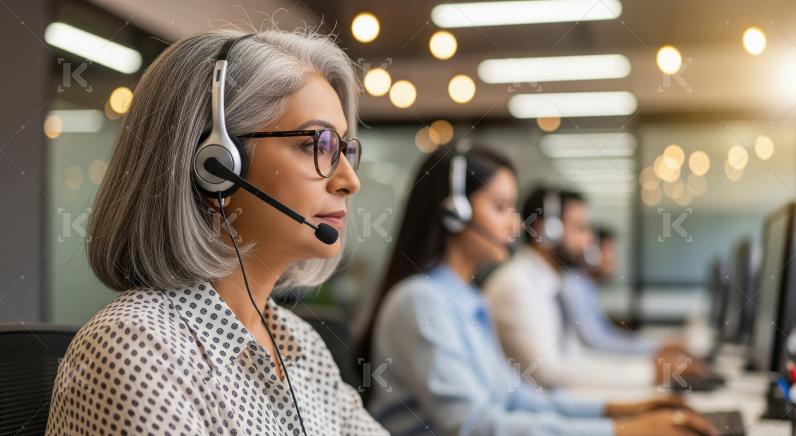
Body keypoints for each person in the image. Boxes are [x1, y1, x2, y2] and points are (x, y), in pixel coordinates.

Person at [47, 29, 386, 435]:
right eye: (317, 144)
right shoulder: (137, 347)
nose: (349, 180)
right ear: (216, 165)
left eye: (345, 150)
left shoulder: (299, 343)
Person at [357, 146, 716, 436]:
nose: (515, 225)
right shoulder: (421, 301)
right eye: (500, 208)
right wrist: (621, 430)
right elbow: (473, 425)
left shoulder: (468, 299)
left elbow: (517, 399)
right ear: (455, 213)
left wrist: (622, 410)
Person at [484, 188, 708, 390]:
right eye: (580, 228)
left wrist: (651, 367)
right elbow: (549, 373)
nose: (590, 239)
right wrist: (650, 371)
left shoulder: (552, 285)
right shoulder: (518, 285)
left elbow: (575, 357)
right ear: (545, 230)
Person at [561, 227, 661, 355]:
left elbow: (607, 335)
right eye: (610, 251)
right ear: (592, 254)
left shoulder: (587, 287)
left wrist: (653, 344)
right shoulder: (574, 286)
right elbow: (597, 341)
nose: (614, 260)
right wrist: (655, 347)